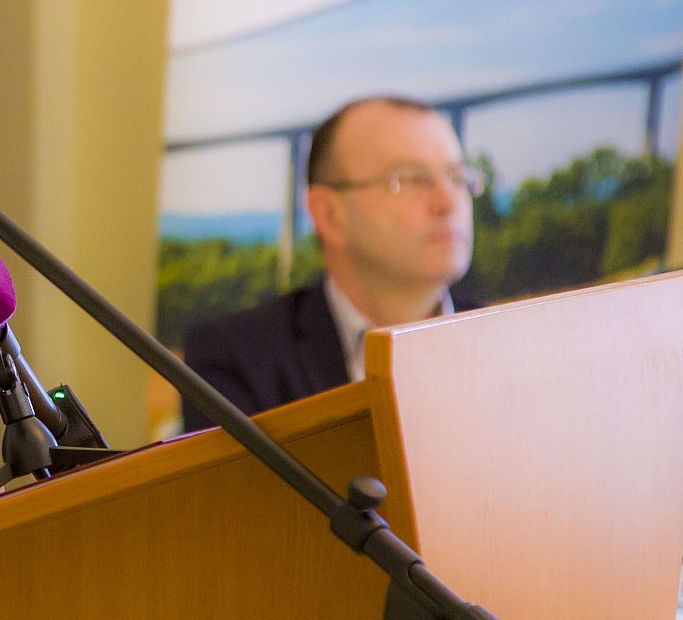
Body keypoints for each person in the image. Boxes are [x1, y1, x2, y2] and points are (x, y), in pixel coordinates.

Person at [181, 96, 476, 428]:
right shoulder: (239, 359)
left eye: (457, 177)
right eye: (410, 179)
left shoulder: (508, 343)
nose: (448, 202)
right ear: (329, 215)